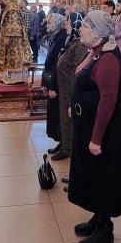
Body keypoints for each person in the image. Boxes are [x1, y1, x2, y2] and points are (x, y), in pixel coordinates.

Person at [68, 10, 121, 243]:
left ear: (98, 33)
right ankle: (98, 217)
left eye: (86, 26)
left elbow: (108, 101)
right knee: (95, 175)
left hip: (107, 130)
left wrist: (96, 139)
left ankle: (104, 230)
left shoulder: (108, 59)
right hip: (90, 124)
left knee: (104, 177)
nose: (81, 29)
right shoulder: (96, 51)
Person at [54, 11, 88, 162]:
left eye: (69, 22)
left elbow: (77, 69)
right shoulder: (75, 41)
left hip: (71, 89)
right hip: (65, 87)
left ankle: (69, 148)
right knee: (64, 118)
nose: (66, 24)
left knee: (69, 120)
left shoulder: (81, 45)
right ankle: (65, 145)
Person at [43, 11, 68, 147]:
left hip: (57, 82)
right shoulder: (55, 36)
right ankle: (60, 142)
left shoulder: (61, 38)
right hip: (52, 79)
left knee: (58, 113)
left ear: (57, 23)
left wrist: (53, 86)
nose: (47, 25)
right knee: (53, 113)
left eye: (49, 22)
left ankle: (63, 143)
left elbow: (58, 65)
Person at [0, 0, 32, 83]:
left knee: (16, 58)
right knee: (11, 58)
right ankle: (12, 78)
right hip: (12, 39)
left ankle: (17, 79)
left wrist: (7, 36)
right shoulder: (9, 6)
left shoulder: (12, 8)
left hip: (15, 40)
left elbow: (14, 23)